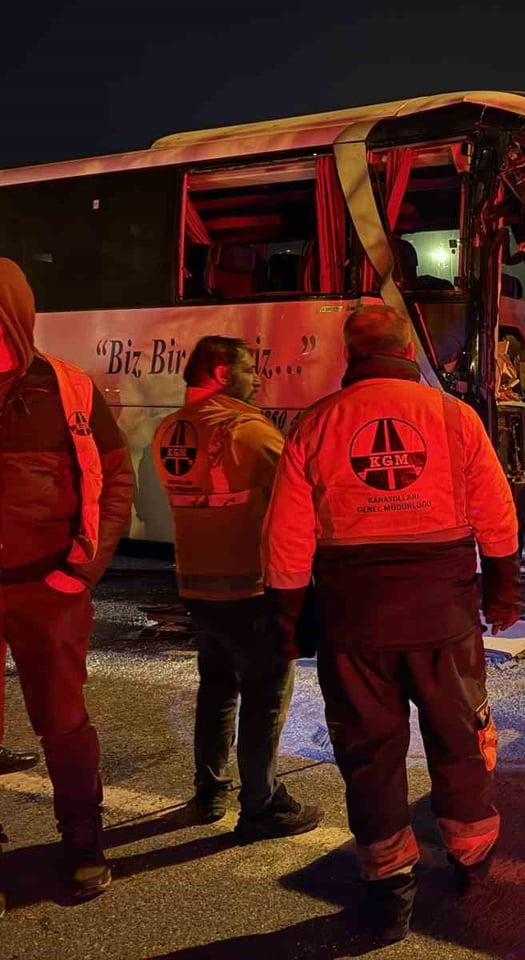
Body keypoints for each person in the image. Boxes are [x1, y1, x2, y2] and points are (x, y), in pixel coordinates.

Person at [262, 304, 521, 944]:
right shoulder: (453, 417)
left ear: (350, 353)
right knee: (459, 737)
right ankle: (469, 850)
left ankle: (389, 882)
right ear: (410, 349)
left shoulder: (316, 424)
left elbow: (287, 540)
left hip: (356, 622)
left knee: (369, 753)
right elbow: (497, 511)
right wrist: (504, 593)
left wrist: (290, 619)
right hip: (445, 616)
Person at [152, 336, 322, 840]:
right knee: (266, 699)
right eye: (250, 370)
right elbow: (299, 493)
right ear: (223, 373)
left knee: (217, 690)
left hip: (196, 586)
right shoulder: (245, 430)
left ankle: (209, 794)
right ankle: (261, 805)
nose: (258, 380)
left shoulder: (169, 428)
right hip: (250, 587)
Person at [0, 258, 134, 899]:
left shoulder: (68, 389)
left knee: (62, 722)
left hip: (47, 591)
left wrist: (81, 570)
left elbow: (116, 480)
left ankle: (83, 841)